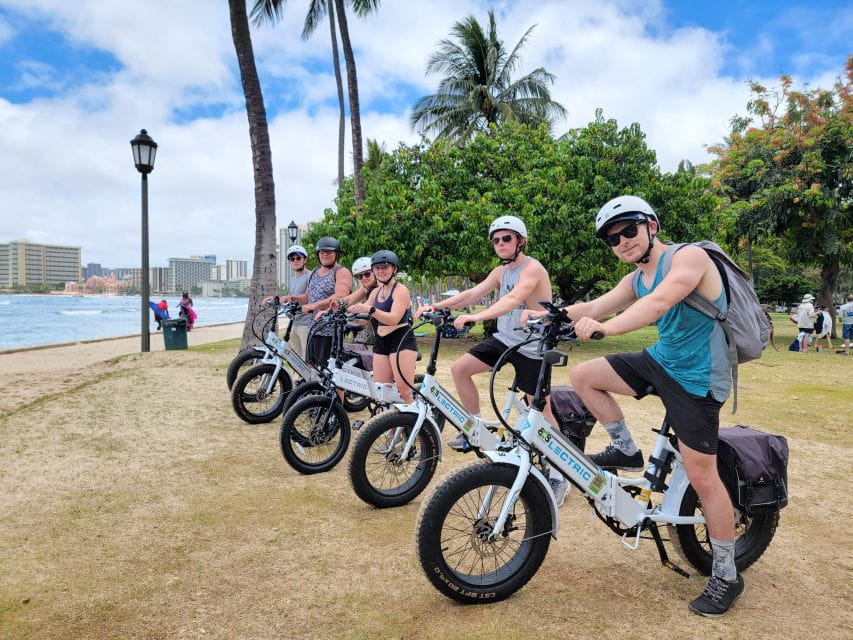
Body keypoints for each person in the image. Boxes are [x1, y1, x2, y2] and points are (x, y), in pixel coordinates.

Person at [532, 195, 743, 616]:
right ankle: (625, 448)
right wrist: (546, 315)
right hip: (662, 360)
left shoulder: (691, 258)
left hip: (700, 377)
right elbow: (594, 306)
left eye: (629, 229)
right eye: (612, 238)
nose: (622, 241)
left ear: (652, 226)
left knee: (702, 475)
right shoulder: (635, 277)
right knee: (584, 376)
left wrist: (605, 329)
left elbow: (658, 304)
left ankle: (726, 574)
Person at [413, 215, 569, 505]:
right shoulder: (500, 271)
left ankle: (560, 476)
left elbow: (513, 300)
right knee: (460, 369)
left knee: (540, 411)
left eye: (506, 238)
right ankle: (475, 429)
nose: (500, 244)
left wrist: (476, 316)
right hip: (504, 339)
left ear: (520, 241)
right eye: (496, 240)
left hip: (531, 344)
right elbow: (472, 293)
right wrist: (436, 305)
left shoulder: (532, 268)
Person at [349, 250, 418, 403]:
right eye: (377, 268)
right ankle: (389, 426)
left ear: (394, 269)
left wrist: (371, 310)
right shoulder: (376, 292)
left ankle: (418, 423)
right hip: (381, 342)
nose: (381, 271)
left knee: (404, 391)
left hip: (401, 341)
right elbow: (363, 317)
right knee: (381, 391)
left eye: (385, 267)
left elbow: (394, 319)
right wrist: (348, 316)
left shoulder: (401, 290)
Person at [286, 237, 352, 366]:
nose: (325, 254)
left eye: (329, 252)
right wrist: (293, 298)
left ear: (336, 254)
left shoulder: (341, 272)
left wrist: (314, 305)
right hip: (313, 328)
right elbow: (308, 296)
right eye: (322, 252)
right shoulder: (315, 272)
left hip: (330, 330)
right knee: (311, 368)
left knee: (327, 371)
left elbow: (340, 296)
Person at [283, 244, 312, 359]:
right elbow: (290, 297)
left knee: (307, 358)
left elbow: (308, 296)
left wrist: (292, 298)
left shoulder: (310, 276)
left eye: (298, 258)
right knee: (295, 359)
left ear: (305, 260)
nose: (295, 261)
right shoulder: (292, 279)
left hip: (306, 323)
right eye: (292, 259)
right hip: (294, 322)